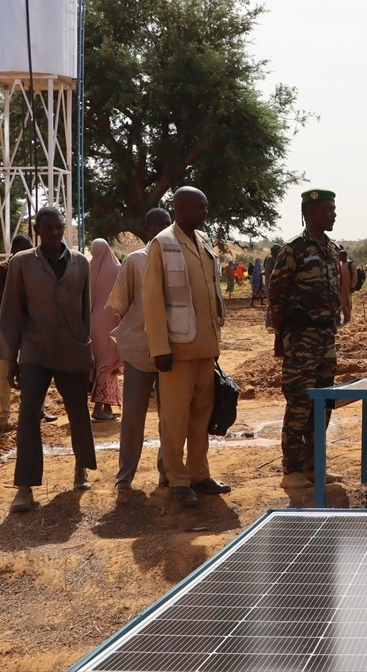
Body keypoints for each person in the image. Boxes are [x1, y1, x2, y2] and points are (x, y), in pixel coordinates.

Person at [0, 207, 98, 513]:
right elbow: (11, 311)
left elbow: (85, 311)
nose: (55, 233)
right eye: (48, 228)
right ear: (37, 231)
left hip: (71, 349)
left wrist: (88, 352)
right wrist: (10, 358)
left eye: (59, 227)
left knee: (78, 412)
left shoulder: (80, 262)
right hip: (35, 350)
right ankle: (24, 488)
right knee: (28, 414)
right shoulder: (22, 263)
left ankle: (81, 468)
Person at [143, 187, 230, 507]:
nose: (205, 212)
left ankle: (199, 474)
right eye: (200, 207)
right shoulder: (162, 243)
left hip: (205, 348)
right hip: (176, 351)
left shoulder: (204, 240)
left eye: (206, 207)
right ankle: (177, 480)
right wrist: (159, 348)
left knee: (201, 417)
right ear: (180, 207)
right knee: (174, 420)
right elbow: (152, 298)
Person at [269, 188, 342, 490]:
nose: (334, 214)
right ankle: (292, 469)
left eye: (334, 209)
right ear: (309, 213)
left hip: (326, 337)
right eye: (328, 209)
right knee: (299, 403)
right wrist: (280, 336)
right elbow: (276, 294)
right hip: (301, 338)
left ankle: (314, 466)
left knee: (323, 405)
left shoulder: (332, 249)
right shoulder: (294, 249)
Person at [106, 207, 172, 493]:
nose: (162, 231)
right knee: (133, 415)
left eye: (167, 225)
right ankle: (125, 475)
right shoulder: (135, 261)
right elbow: (120, 305)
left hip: (172, 352)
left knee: (170, 417)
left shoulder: (178, 260)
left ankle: (167, 471)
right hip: (138, 350)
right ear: (147, 229)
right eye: (157, 226)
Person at [0, 234, 47, 425]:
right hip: (8, 331)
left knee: (36, 371)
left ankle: (38, 410)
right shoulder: (2, 271)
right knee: (5, 372)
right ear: (13, 250)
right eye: (24, 249)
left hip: (31, 330)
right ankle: (4, 413)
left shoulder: (34, 269)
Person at [89, 239, 123, 422]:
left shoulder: (89, 269)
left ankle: (108, 405)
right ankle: (98, 409)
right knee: (108, 363)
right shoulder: (117, 269)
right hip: (110, 319)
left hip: (93, 321)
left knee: (101, 362)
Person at [337, 249, 357, 324]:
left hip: (348, 286)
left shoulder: (351, 264)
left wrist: (353, 285)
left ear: (344, 256)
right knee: (342, 303)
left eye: (340, 256)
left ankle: (348, 317)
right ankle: (345, 317)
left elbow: (355, 276)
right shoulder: (340, 264)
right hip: (341, 286)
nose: (339, 257)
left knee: (348, 302)